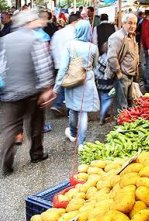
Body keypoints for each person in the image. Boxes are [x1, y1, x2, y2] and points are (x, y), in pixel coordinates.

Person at [0, 10, 55, 175]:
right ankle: (36, 153)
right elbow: (42, 66)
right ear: (27, 23)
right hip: (32, 91)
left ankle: (6, 163)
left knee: (10, 128)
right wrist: (46, 88)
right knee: (35, 124)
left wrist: (4, 86)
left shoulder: (4, 40)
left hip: (10, 92)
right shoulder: (35, 39)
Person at [54, 20, 99, 149]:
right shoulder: (93, 47)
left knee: (73, 109)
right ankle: (81, 144)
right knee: (83, 113)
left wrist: (57, 86)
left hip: (72, 82)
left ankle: (73, 132)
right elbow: (95, 66)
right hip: (87, 82)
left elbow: (63, 68)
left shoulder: (69, 46)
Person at [107, 13, 139, 114]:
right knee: (122, 105)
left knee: (130, 102)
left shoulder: (132, 36)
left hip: (130, 75)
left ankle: (127, 125)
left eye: (134, 23)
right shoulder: (118, 37)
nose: (133, 26)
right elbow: (112, 57)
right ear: (123, 23)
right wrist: (118, 73)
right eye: (130, 23)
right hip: (122, 76)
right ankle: (120, 127)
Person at [50, 13, 80, 117]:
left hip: (59, 63)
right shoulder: (75, 33)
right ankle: (67, 109)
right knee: (71, 86)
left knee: (62, 84)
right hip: (71, 63)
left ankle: (58, 104)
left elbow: (52, 48)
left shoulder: (57, 33)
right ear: (75, 22)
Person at [95, 42, 116, 124]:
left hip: (99, 83)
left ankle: (105, 113)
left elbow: (96, 71)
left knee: (103, 98)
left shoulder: (100, 58)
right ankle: (103, 114)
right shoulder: (110, 60)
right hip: (108, 83)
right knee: (108, 99)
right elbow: (111, 73)